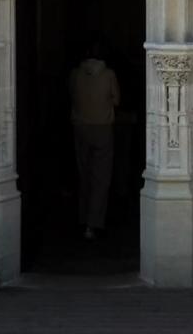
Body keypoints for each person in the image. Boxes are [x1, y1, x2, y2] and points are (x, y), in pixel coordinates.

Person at [69, 42, 121, 240]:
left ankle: (83, 217)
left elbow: (72, 95)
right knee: (100, 178)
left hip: (80, 127)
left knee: (84, 174)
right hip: (102, 128)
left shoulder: (75, 74)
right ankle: (93, 224)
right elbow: (116, 100)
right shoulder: (108, 74)